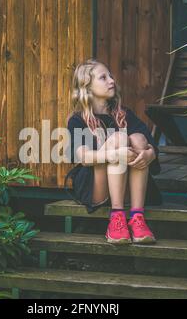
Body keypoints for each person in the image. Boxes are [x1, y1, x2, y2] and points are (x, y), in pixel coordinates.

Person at [66, 59, 162, 245]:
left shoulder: (123, 114)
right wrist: (114, 155)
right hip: (96, 188)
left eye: (111, 76)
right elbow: (84, 157)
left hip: (126, 186)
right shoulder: (77, 120)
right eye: (103, 77)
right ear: (88, 86)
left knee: (138, 139)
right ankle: (117, 218)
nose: (111, 81)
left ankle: (137, 217)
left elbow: (150, 145)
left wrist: (149, 155)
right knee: (119, 138)